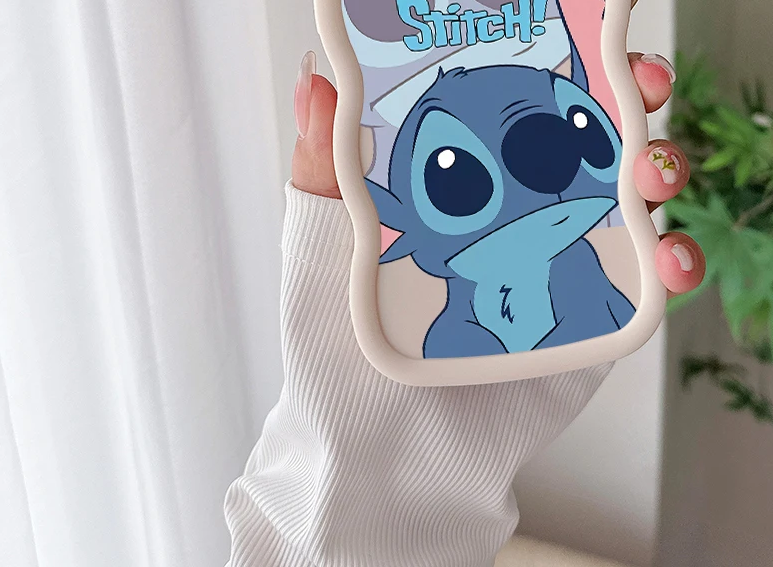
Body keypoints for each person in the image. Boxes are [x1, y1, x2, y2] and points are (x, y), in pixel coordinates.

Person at [224, 51, 704, 567]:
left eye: (574, 132)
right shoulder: (462, 321)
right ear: (403, 220)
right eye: (455, 180)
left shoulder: (582, 271)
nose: (544, 174)